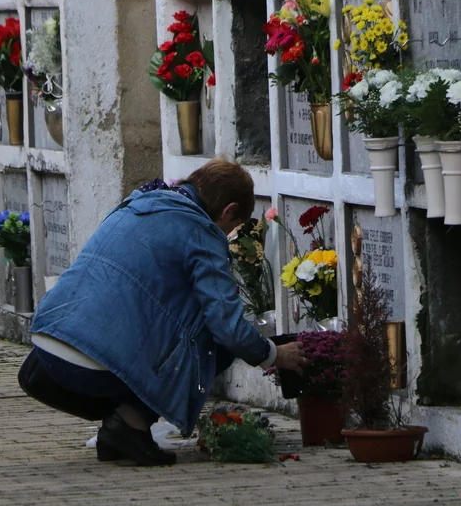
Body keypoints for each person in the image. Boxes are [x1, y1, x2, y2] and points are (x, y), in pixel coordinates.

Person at [20, 158, 305, 466]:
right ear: (228, 210)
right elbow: (226, 326)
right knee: (215, 343)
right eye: (232, 228)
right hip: (89, 369)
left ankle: (115, 435)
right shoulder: (202, 232)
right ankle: (130, 424)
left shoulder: (139, 202)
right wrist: (273, 354)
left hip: (45, 349)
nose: (228, 235)